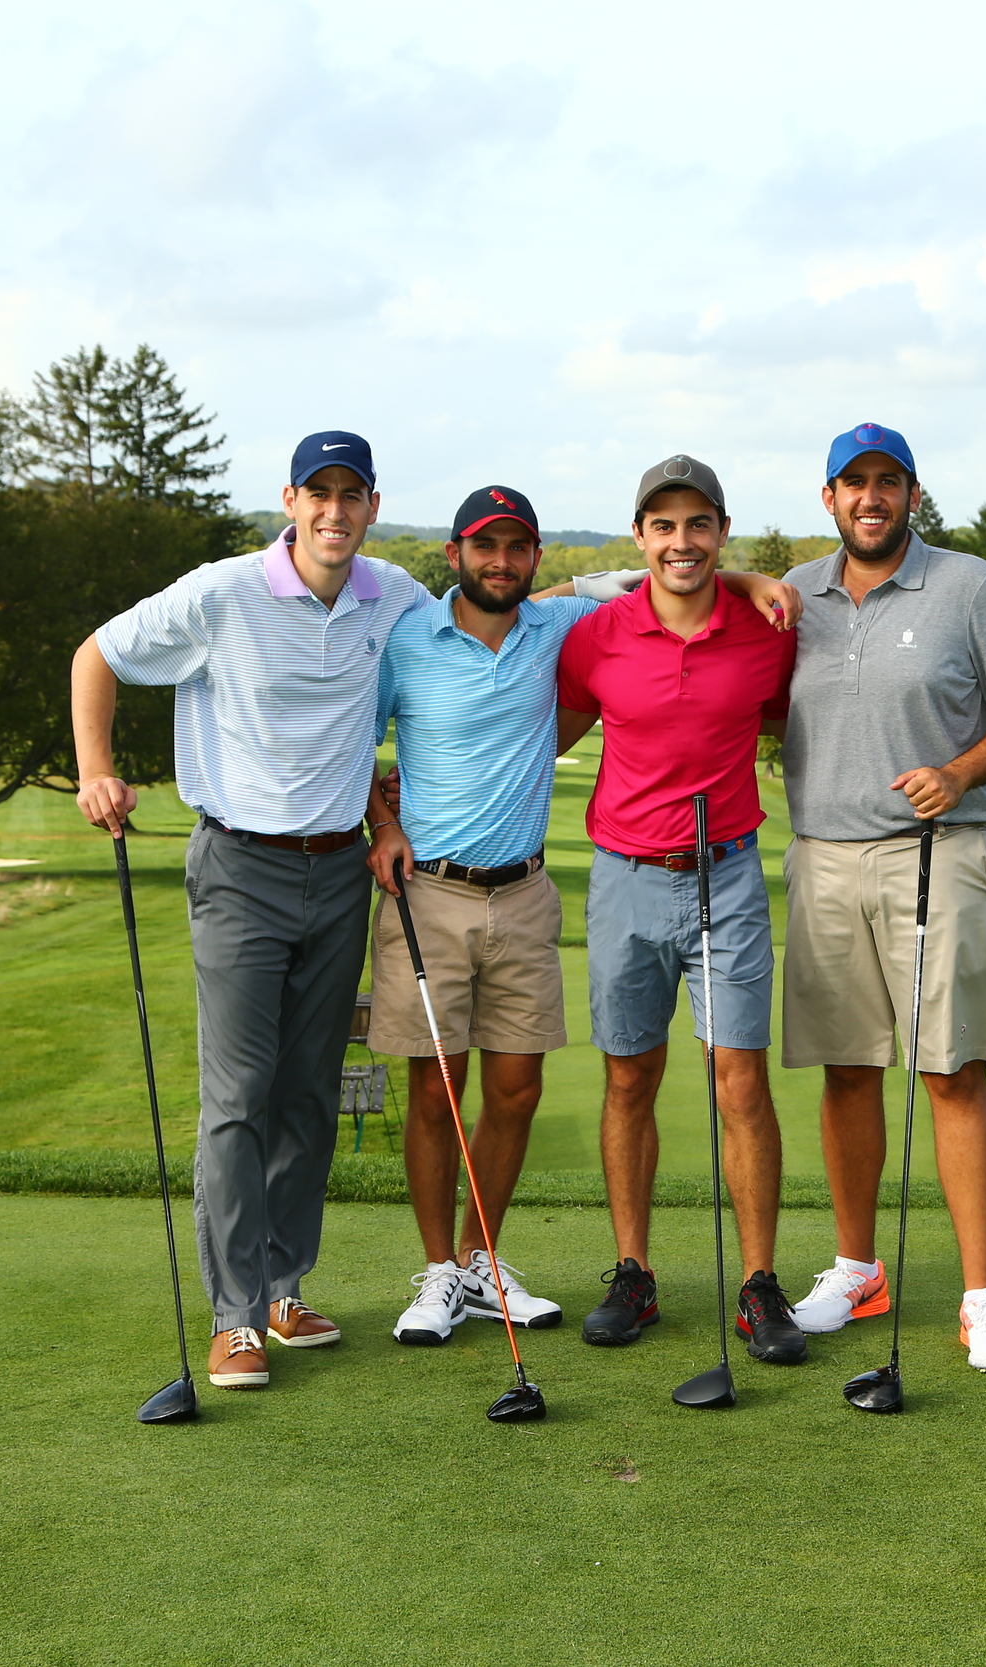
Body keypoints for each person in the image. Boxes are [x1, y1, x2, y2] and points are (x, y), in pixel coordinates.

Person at [364, 485, 801, 1346]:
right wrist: (385, 816)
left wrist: (751, 581)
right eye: (484, 545)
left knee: (566, 1088)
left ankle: (749, 1285)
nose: (500, 561)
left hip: (625, 882)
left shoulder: (577, 624)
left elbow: (665, 581)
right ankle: (481, 1271)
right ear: (454, 553)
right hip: (509, 885)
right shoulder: (441, 637)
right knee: (474, 1087)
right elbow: (364, 741)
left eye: (517, 546)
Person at [70, 430, 431, 1391]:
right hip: (239, 867)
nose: (335, 511)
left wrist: (384, 817)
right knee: (238, 1096)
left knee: (309, 1091)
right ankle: (234, 1316)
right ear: (291, 500)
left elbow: (477, 629)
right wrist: (96, 769)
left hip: (339, 871)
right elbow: (97, 654)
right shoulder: (221, 592)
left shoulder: (393, 595)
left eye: (351, 494)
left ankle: (281, 1288)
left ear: (372, 505)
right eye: (319, 493)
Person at [775, 422, 986, 1372]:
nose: (871, 497)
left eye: (887, 481)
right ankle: (858, 1270)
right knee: (847, 1069)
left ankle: (983, 1296)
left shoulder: (970, 585)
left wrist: (960, 770)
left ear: (912, 494)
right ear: (829, 497)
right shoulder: (796, 595)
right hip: (823, 858)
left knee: (952, 1071)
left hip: (942, 852)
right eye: (853, 482)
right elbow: (686, 589)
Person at [554, 455, 807, 1365]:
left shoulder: (768, 633)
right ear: (639, 536)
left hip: (726, 875)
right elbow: (546, 729)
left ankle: (759, 1281)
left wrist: (748, 583)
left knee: (740, 1079)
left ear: (721, 530)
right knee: (630, 1077)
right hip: (624, 876)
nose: (681, 541)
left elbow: (796, 719)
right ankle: (634, 1272)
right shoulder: (598, 635)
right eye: (663, 525)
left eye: (699, 524)